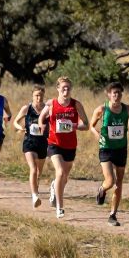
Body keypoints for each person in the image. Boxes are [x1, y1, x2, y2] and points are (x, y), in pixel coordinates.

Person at [38, 76, 90, 219]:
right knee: (60, 172)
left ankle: (55, 186)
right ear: (58, 89)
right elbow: (41, 118)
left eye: (68, 88)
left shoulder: (76, 105)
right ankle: (60, 207)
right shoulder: (51, 104)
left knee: (64, 177)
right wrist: (42, 126)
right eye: (63, 88)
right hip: (54, 143)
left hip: (70, 145)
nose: (66, 91)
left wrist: (74, 126)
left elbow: (86, 125)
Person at [89, 82, 129, 226]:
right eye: (114, 93)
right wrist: (96, 134)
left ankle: (113, 215)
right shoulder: (102, 110)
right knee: (110, 181)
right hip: (106, 148)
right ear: (109, 94)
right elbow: (91, 126)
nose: (117, 95)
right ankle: (102, 188)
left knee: (119, 182)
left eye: (119, 93)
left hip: (121, 148)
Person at [13, 85, 49, 206]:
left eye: (41, 95)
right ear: (32, 96)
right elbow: (15, 121)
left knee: (39, 172)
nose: (39, 98)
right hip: (29, 142)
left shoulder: (47, 109)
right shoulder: (27, 108)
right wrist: (21, 128)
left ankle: (36, 189)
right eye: (36, 95)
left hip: (43, 143)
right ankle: (34, 196)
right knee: (33, 168)